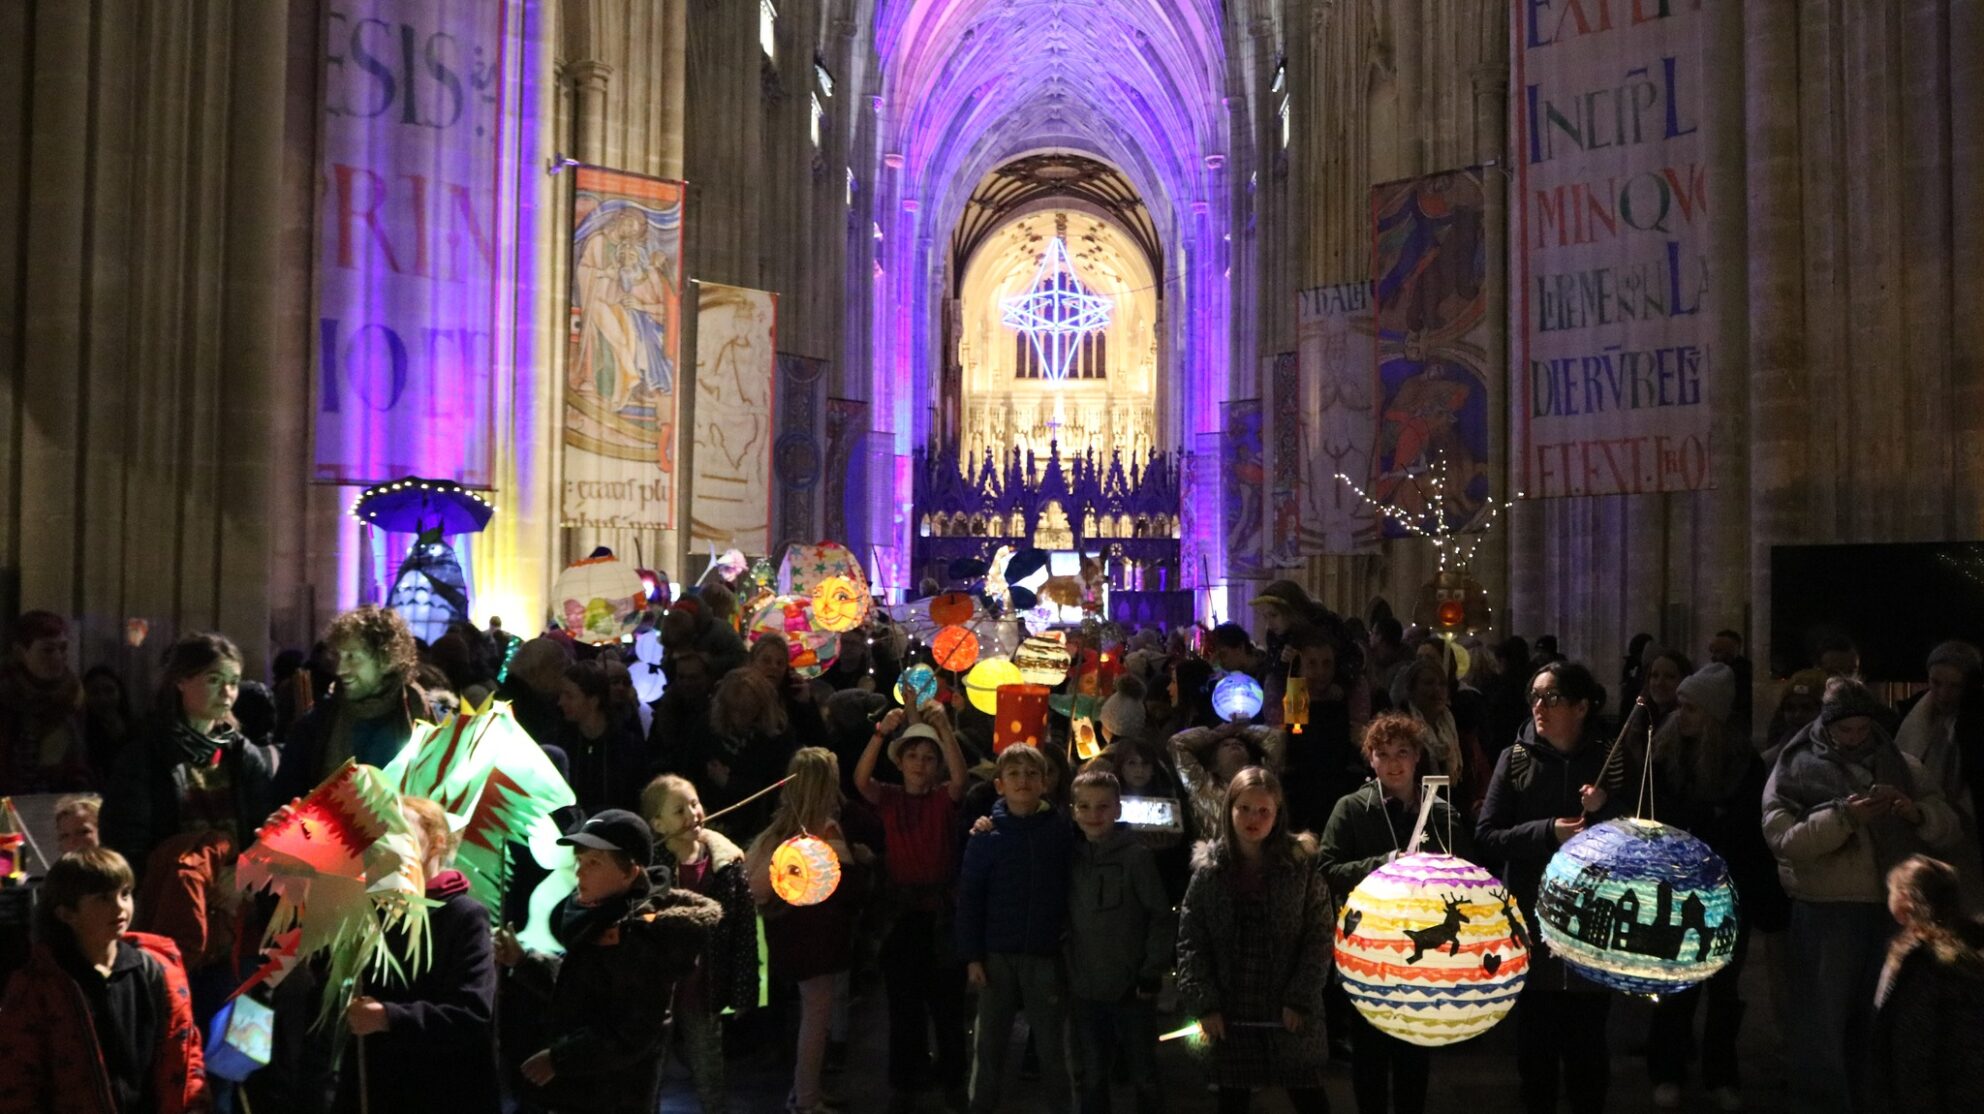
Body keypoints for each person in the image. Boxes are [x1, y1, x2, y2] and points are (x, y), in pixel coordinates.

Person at [1762, 676, 1958, 1114]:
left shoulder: (1903, 765)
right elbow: (1783, 839)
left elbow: (1947, 824)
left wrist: (1914, 811)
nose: (1854, 738)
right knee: (1823, 1024)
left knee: (1883, 1019)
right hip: (1827, 909)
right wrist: (1844, 818)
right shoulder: (1794, 766)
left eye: (1862, 729)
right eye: (1844, 730)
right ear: (1827, 727)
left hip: (1894, 909)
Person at [495, 809, 720, 1114]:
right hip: (581, 1091)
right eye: (580, 861)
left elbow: (631, 1032)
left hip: (613, 1097)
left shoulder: (644, 934)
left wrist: (559, 1059)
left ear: (630, 871)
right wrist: (523, 961)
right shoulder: (600, 917)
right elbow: (582, 986)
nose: (580, 873)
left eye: (594, 863)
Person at [1475, 661, 1621, 1114]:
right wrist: (1546, 832)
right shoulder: (1515, 759)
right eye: (1534, 696)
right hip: (1534, 919)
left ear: (1581, 706)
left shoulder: (1609, 759)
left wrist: (1605, 809)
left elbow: (1640, 837)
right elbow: (1487, 835)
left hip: (1592, 922)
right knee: (1535, 1052)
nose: (1539, 706)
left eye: (1551, 697)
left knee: (1588, 1053)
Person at [1316, 714, 1473, 1114]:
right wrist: (1386, 863)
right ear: (1370, 760)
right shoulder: (1351, 809)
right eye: (1382, 754)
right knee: (1368, 1051)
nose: (1393, 763)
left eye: (1402, 752)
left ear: (1417, 756)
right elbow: (1326, 871)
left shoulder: (1441, 815)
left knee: (1413, 1051)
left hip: (1424, 948)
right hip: (1369, 946)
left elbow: (1464, 879)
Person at [1642, 663, 1782, 1111]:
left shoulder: (1742, 765)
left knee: (1724, 991)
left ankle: (1722, 1073)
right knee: (1677, 988)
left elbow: (1745, 833)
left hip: (1726, 892)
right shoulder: (1665, 757)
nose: (1680, 715)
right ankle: (1668, 1070)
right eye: (1680, 706)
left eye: (1691, 708)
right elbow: (1661, 821)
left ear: (1714, 715)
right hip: (1677, 892)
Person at [0, 847, 207, 1114]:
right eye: (103, 899)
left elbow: (185, 1052)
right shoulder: (39, 985)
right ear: (66, 914)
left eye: (125, 894)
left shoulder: (156, 971)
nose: (120, 907)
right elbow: (17, 1075)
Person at [1176, 766, 1332, 1113]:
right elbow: (1191, 941)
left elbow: (1319, 938)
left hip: (1286, 998)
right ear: (1229, 808)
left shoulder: (1300, 868)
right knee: (1233, 1097)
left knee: (1308, 1094)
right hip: (1232, 1002)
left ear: (1277, 814)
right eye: (1244, 808)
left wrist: (1300, 998)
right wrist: (1206, 1003)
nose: (1253, 818)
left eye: (1263, 810)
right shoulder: (1210, 872)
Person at [340, 796, 500, 1114]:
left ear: (436, 842)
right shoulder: (372, 912)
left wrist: (389, 1017)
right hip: (379, 1088)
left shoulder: (465, 916)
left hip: (442, 1091)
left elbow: (470, 1014)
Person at [854, 708, 969, 1113]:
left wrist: (943, 729)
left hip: (939, 914)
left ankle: (954, 1079)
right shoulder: (889, 798)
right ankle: (906, 1077)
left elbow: (960, 779)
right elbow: (860, 780)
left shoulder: (942, 799)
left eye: (929, 758)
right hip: (900, 914)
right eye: (913, 756)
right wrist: (880, 733)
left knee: (947, 1004)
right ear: (900, 762)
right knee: (903, 1005)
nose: (921, 764)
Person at [746, 748, 870, 1114]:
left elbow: (754, 887)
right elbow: (848, 887)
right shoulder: (826, 831)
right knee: (816, 1020)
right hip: (821, 939)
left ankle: (806, 1089)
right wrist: (860, 860)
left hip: (786, 934)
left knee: (810, 1016)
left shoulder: (777, 831)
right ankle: (807, 1099)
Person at [956, 743, 1078, 1114]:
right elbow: (971, 898)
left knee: (1054, 1046)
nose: (1022, 781)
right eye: (1014, 774)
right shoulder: (987, 837)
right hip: (996, 956)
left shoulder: (1061, 832)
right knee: (989, 1042)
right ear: (999, 785)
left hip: (1044, 954)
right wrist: (972, 955)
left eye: (1031, 774)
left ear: (1044, 783)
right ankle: (981, 1106)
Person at [103, 633, 277, 877]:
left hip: (235, 891)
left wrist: (242, 877)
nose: (227, 692)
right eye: (214, 680)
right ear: (181, 681)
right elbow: (127, 839)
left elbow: (265, 828)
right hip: (172, 889)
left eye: (234, 682)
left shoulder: (241, 753)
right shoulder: (146, 754)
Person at [642, 774, 757, 1114]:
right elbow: (641, 922)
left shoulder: (726, 863)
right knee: (651, 1067)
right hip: (659, 988)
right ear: (658, 823)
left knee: (709, 1067)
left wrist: (743, 990)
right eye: (679, 810)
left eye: (694, 803)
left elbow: (743, 929)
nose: (692, 813)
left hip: (705, 985)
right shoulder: (650, 867)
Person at [1066, 768, 1173, 1114]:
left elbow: (1159, 915)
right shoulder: (1071, 858)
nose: (1093, 815)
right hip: (1085, 987)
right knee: (1093, 1073)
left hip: (1131, 987)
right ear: (1074, 811)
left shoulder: (1136, 857)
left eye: (1102, 807)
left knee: (1144, 1072)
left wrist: (1151, 969)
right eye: (1084, 807)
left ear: (1117, 809)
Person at [276, 605, 431, 801]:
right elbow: (284, 798)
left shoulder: (427, 720)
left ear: (386, 659)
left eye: (352, 657)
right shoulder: (315, 726)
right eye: (339, 656)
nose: (340, 669)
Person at [1869, 855, 1984, 1111]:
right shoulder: (1974, 945)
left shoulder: (1917, 963)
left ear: (1903, 904)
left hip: (1938, 1092)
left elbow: (1913, 1040)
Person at [0, 609, 92, 796]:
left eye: (63, 648)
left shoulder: (72, 695)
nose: (58, 657)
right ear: (21, 652)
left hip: (58, 800)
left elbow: (79, 758)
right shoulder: (6, 692)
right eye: (47, 650)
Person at [1390, 656, 1491, 819]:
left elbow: (1479, 771)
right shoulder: (1400, 731)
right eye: (1428, 683)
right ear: (1411, 688)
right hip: (1414, 817)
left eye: (1442, 684)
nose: (1437, 690)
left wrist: (1479, 801)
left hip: (1456, 816)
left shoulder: (1459, 729)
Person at [556, 658, 647, 817]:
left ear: (593, 700)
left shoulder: (628, 747)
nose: (561, 702)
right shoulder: (562, 743)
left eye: (569, 696)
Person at [1170, 720, 1283, 842]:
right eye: (1226, 745)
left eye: (1240, 744)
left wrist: (1241, 729)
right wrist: (1217, 733)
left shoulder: (1262, 781)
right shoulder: (1200, 784)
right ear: (1214, 762)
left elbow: (1276, 737)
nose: (1234, 745)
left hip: (1260, 857)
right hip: (1214, 858)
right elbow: (1177, 743)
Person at [82, 665, 136, 786]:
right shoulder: (80, 732)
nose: (103, 699)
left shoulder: (138, 729)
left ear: (120, 692)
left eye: (109, 690)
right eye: (94, 692)